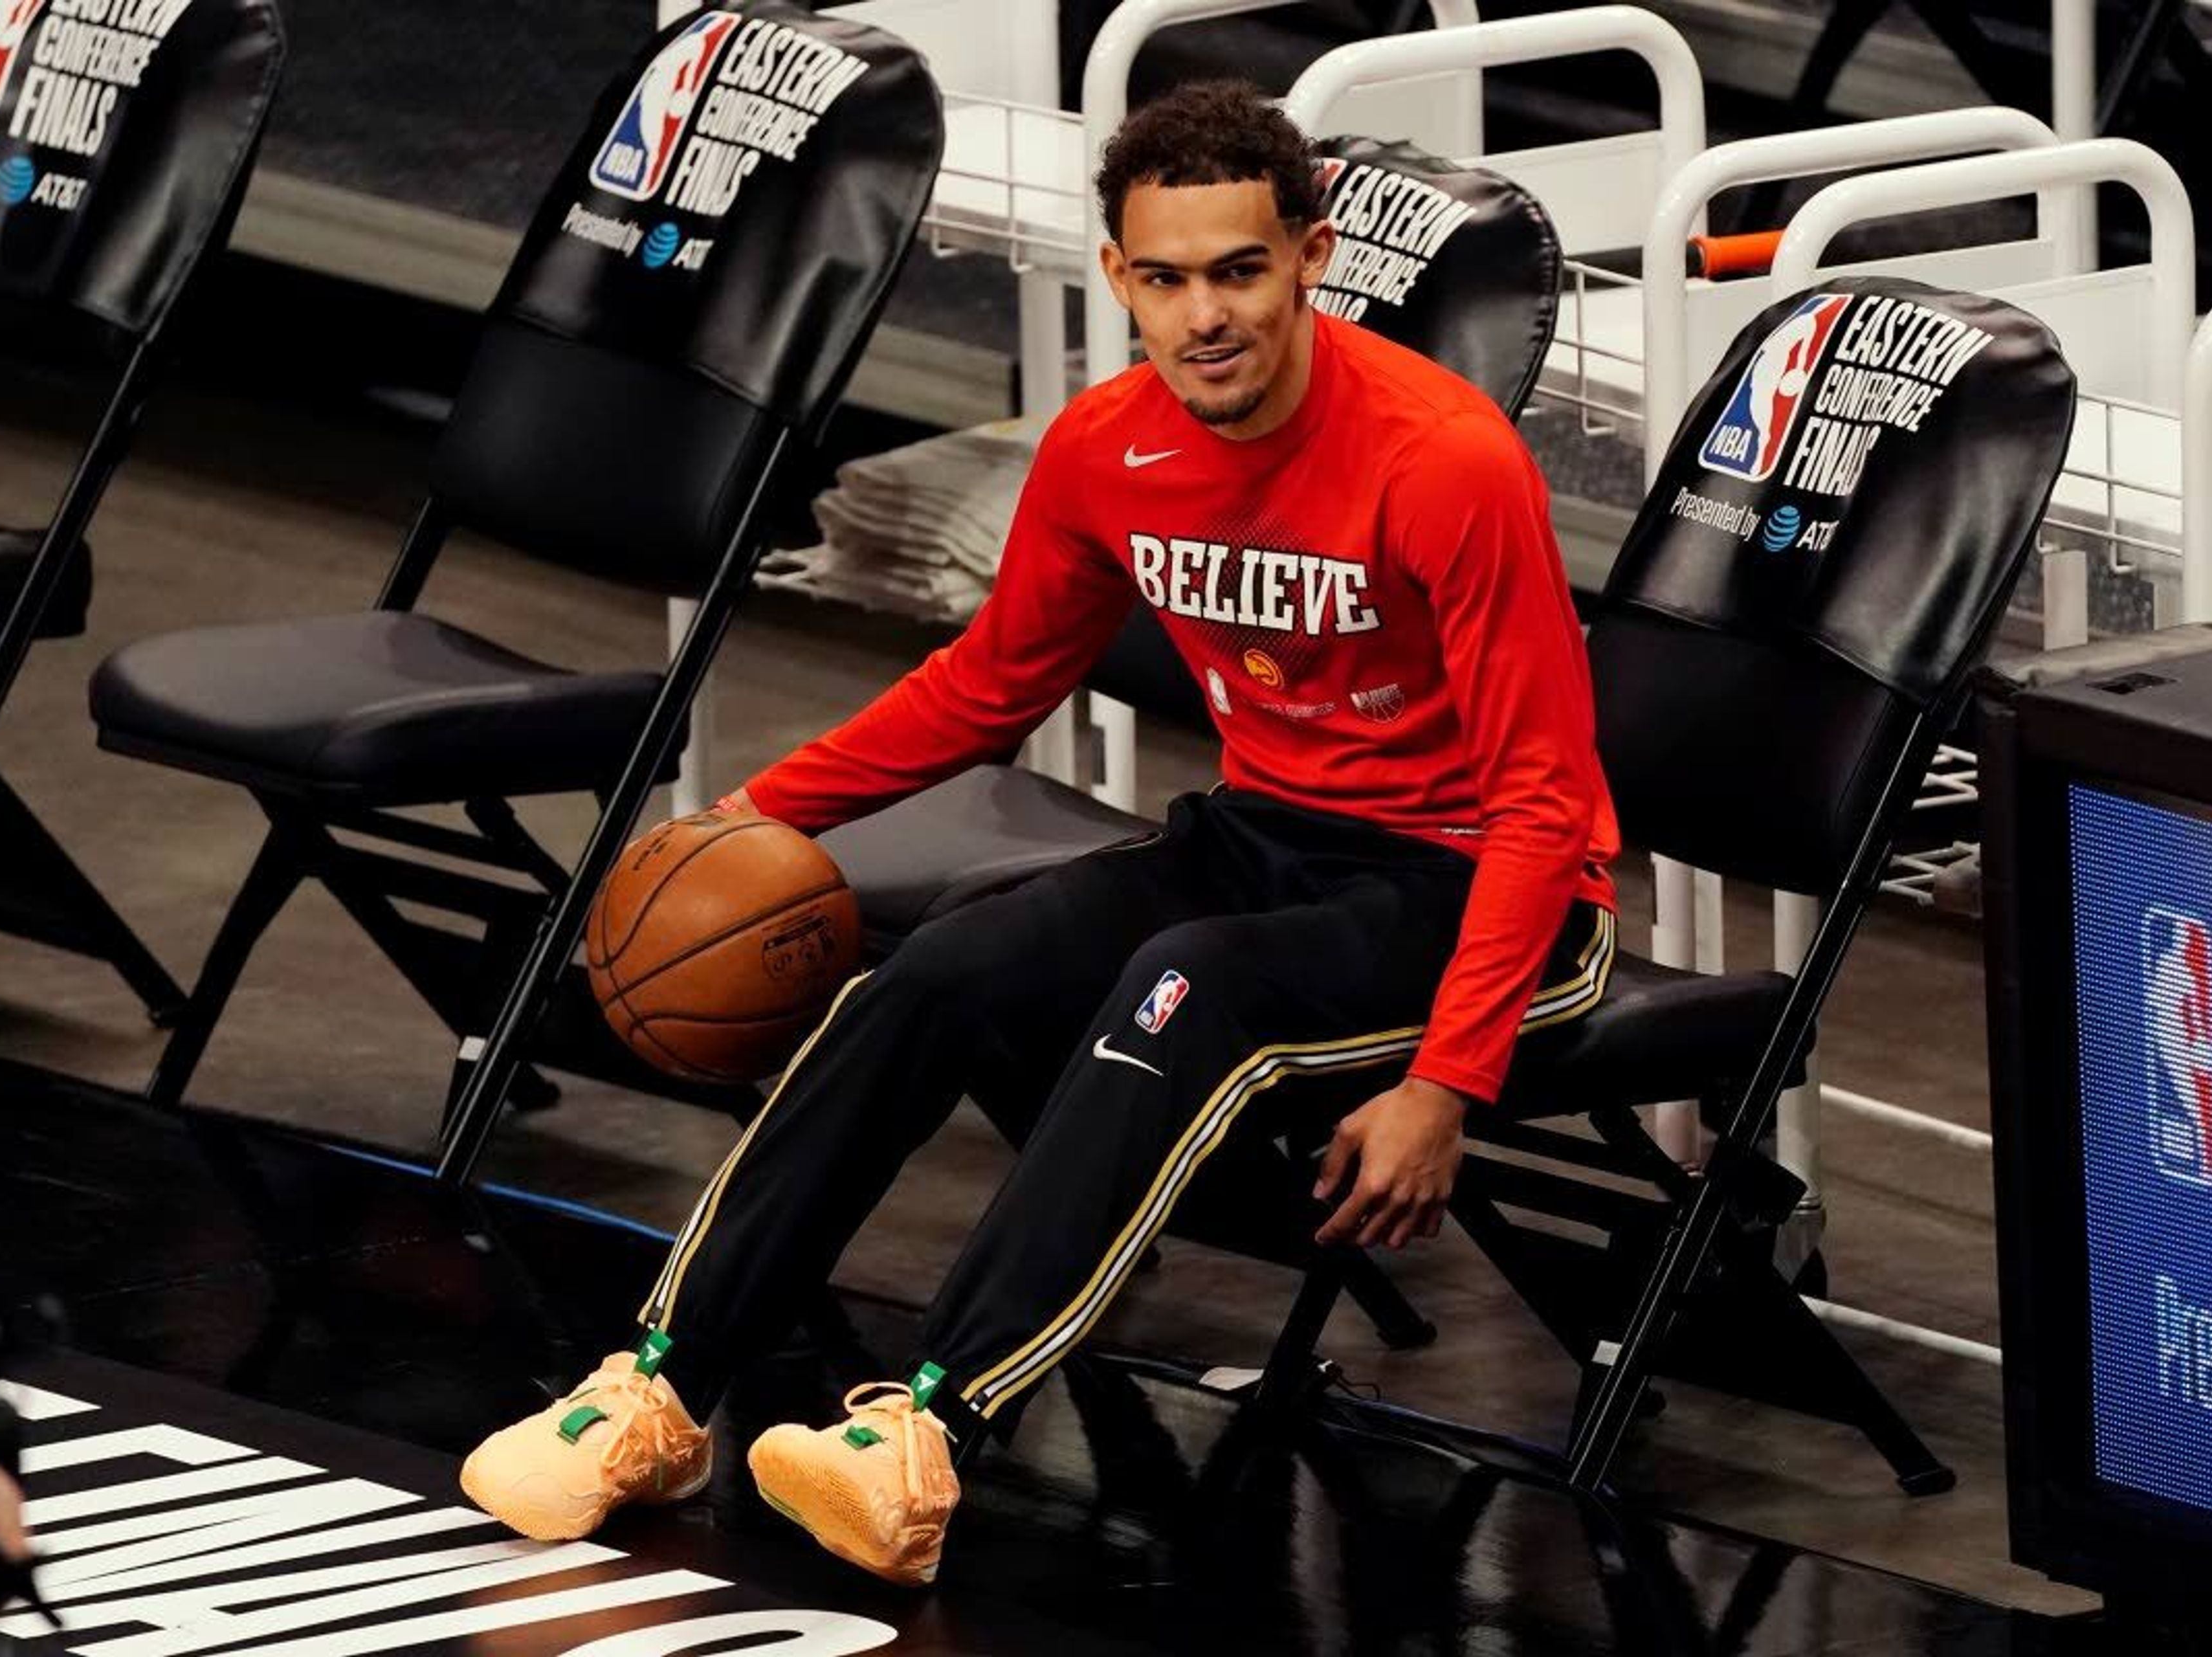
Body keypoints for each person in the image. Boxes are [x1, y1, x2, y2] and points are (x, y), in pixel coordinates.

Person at [461, 79, 1620, 1587]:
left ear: (1311, 259)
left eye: (1240, 270)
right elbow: (992, 682)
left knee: (1188, 985)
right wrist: (761, 810)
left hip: (1490, 894)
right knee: (938, 968)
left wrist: (1447, 1078)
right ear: (1120, 277)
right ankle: (661, 1386)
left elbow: (1544, 793)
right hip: (1267, 835)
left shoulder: (1445, 460)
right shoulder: (1106, 448)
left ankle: (934, 1433)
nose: (1205, 315)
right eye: (1167, 278)